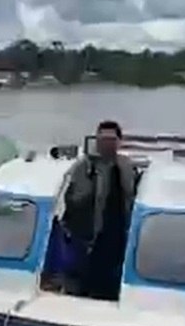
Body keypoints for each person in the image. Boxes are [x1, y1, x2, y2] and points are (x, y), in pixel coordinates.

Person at [58, 120, 138, 300]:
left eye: (111, 139)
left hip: (119, 236)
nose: (106, 143)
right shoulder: (84, 166)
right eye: (102, 138)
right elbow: (72, 200)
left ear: (119, 141)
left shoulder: (126, 166)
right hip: (91, 239)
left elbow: (132, 196)